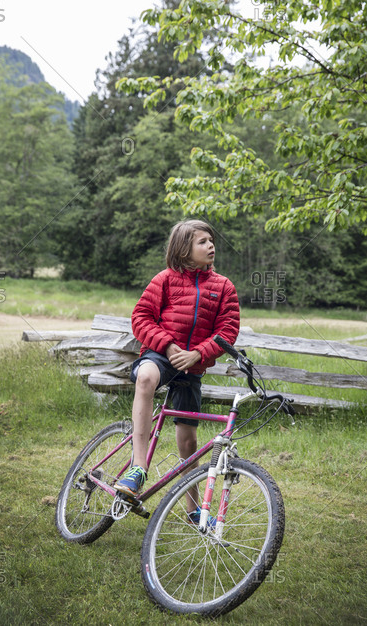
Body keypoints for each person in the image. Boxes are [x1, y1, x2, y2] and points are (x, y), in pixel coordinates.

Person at [114, 219, 240, 523]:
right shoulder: (165, 280)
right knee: (146, 377)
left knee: (188, 442)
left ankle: (193, 510)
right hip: (160, 354)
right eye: (202, 241)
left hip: (192, 367)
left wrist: (199, 353)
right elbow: (141, 317)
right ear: (184, 249)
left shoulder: (223, 286)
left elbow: (228, 330)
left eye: (212, 241)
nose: (211, 246)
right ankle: (137, 468)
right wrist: (169, 348)